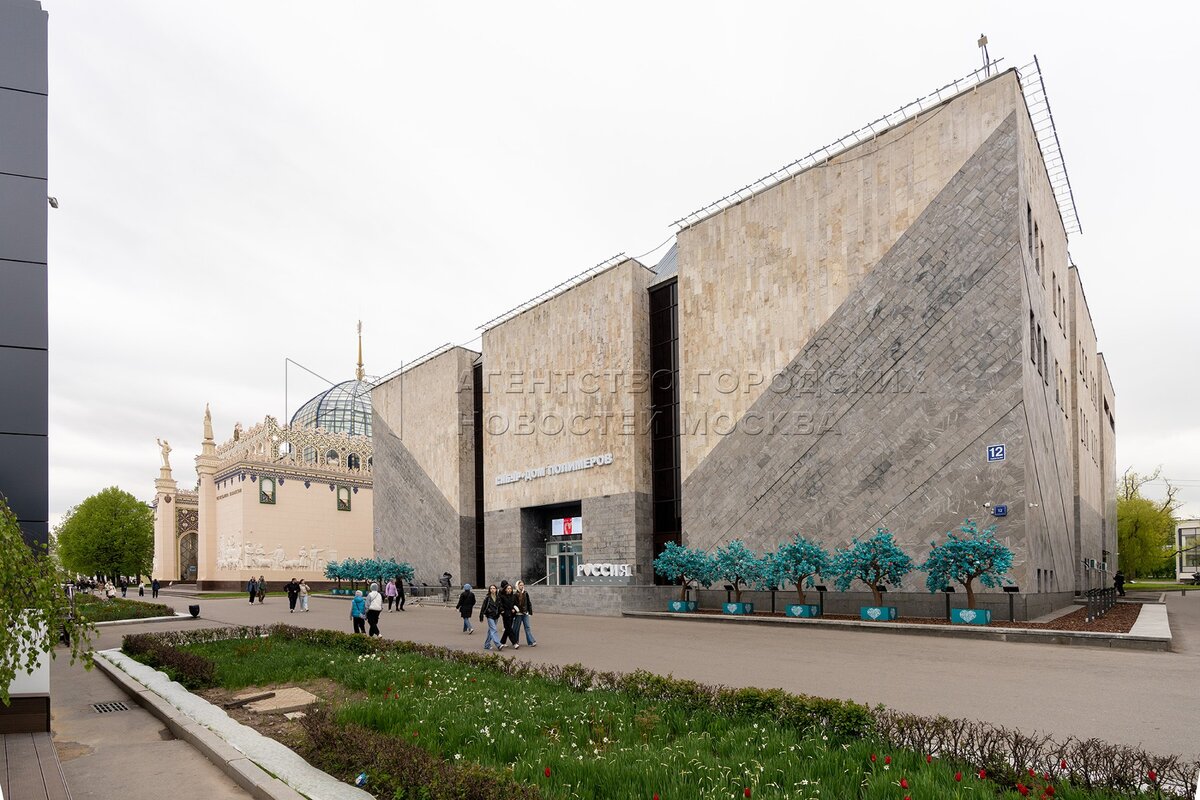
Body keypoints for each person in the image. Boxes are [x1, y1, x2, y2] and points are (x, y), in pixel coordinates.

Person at [479, 585, 501, 651]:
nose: (492, 589)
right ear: (489, 590)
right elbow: (483, 606)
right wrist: (481, 616)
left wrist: (501, 611)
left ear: (496, 589)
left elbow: (500, 606)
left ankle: (487, 644)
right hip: (490, 616)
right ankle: (498, 644)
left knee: (490, 630)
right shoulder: (487, 597)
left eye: (494, 588)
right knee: (494, 629)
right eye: (491, 588)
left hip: (496, 616)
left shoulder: (498, 597)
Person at [514, 580, 537, 647]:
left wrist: (530, 612)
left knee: (527, 627)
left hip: (525, 613)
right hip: (518, 614)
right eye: (520, 585)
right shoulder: (515, 594)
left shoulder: (525, 593)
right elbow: (514, 604)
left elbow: (528, 602)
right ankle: (515, 641)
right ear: (517, 586)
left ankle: (531, 642)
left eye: (522, 585)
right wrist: (516, 610)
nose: (522, 586)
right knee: (516, 628)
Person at [498, 581, 520, 649]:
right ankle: (514, 643)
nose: (509, 590)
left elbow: (516, 604)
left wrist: (514, 609)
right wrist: (502, 610)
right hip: (505, 614)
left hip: (512, 614)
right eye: (508, 588)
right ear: (505, 589)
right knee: (509, 629)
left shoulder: (513, 597)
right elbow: (500, 605)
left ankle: (502, 642)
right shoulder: (502, 597)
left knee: (507, 629)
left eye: (510, 588)